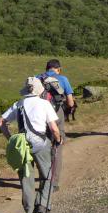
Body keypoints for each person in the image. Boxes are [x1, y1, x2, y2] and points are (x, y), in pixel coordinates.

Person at [0, 76, 62, 213]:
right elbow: (53, 128)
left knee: (26, 181)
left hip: (22, 146)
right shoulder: (44, 104)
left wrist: (10, 138)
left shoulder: (18, 104)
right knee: (47, 174)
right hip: (40, 143)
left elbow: (1, 121)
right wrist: (58, 139)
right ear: (39, 90)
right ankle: (42, 203)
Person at [38, 59, 76, 187]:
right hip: (56, 113)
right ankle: (53, 183)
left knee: (42, 146)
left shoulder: (38, 78)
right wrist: (68, 109)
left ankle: (43, 178)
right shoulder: (63, 79)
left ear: (47, 68)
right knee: (57, 146)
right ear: (58, 69)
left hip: (40, 115)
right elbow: (70, 102)